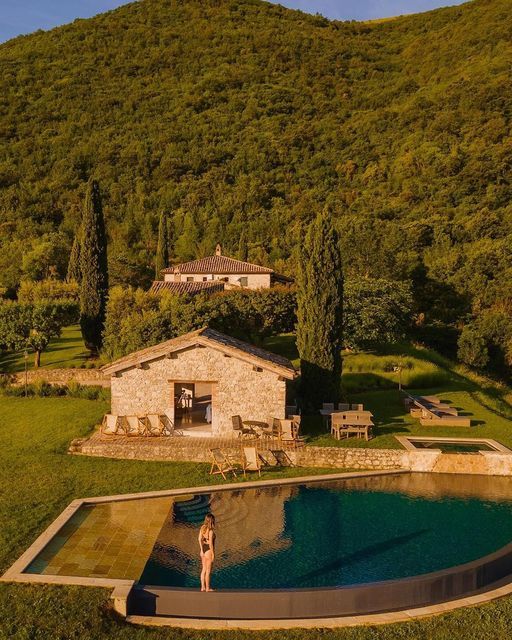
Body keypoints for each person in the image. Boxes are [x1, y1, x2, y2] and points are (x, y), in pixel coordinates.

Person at [198, 512, 216, 591]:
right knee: (208, 571)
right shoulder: (211, 531)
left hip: (203, 550)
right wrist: (213, 554)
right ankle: (208, 588)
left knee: (203, 569)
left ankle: (202, 587)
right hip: (208, 550)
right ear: (212, 521)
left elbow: (199, 539)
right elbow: (211, 544)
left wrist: (201, 550)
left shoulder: (202, 528)